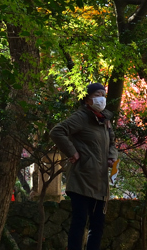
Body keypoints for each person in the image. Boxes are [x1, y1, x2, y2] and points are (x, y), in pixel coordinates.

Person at [50, 83, 117, 250]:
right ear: (87, 99)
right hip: (81, 179)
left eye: (103, 94)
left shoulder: (105, 120)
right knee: (79, 223)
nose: (101, 98)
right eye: (97, 94)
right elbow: (57, 131)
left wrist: (111, 158)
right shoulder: (81, 117)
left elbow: (113, 144)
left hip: (100, 182)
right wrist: (72, 152)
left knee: (98, 226)